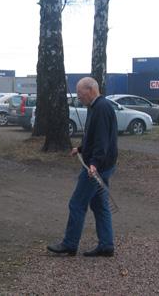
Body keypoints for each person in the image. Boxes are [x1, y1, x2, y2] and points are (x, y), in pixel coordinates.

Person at [47, 77, 118, 257]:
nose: (78, 97)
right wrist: (80, 148)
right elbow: (93, 138)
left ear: (91, 90)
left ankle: (70, 244)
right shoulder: (97, 107)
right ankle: (106, 245)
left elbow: (103, 141)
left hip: (97, 167)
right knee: (100, 205)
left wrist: (94, 164)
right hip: (103, 164)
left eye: (80, 93)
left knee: (77, 203)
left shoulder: (101, 108)